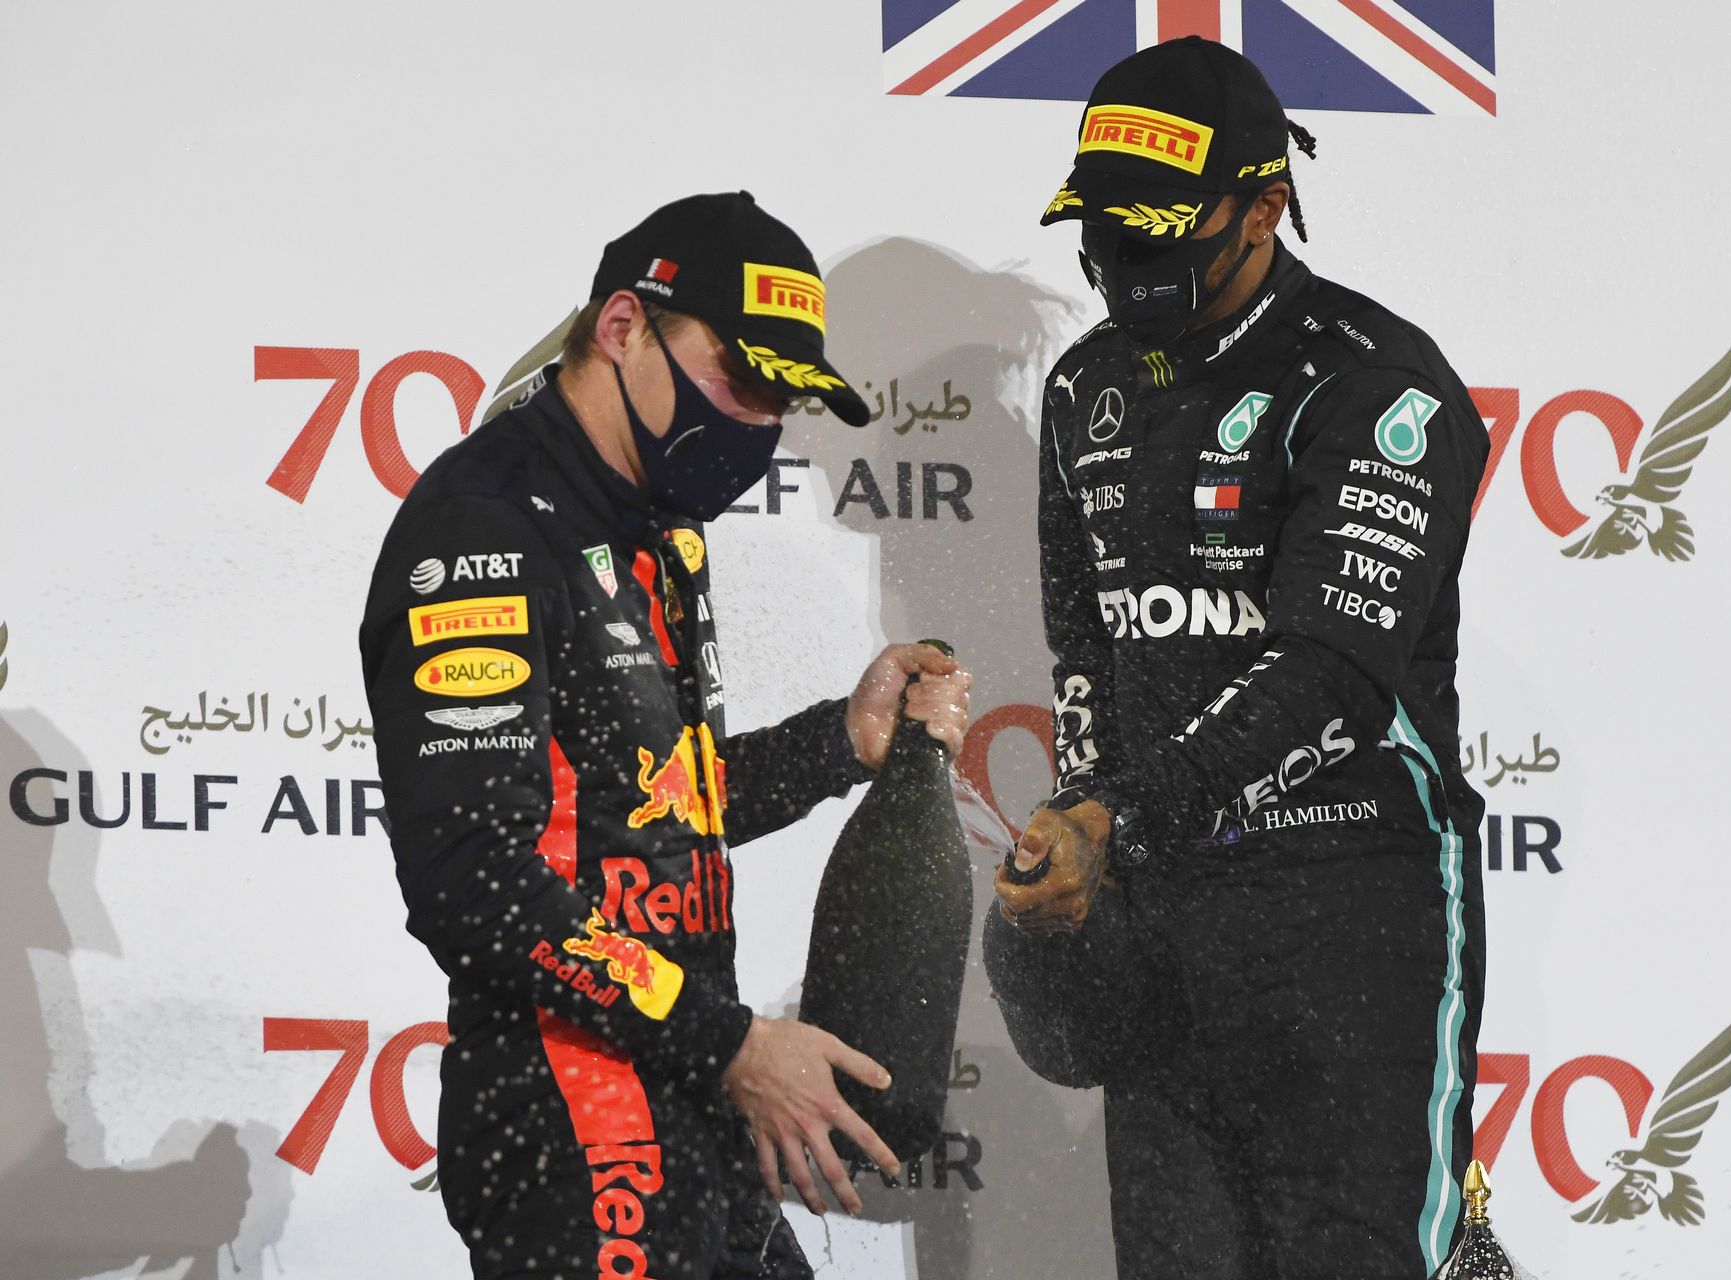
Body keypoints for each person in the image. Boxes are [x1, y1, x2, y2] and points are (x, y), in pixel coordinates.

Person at [360, 191, 973, 1280]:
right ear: (622, 328)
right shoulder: (484, 524)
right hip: (573, 1118)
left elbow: (648, 800)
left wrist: (842, 741)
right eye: (741, 380)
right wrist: (733, 1045)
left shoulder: (656, 525)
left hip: (691, 1093)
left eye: (782, 399)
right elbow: (471, 876)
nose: (758, 424)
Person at [987, 37, 1489, 1279]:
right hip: (1162, 917)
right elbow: (1087, 650)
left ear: (1264, 207)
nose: (1124, 258)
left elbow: (1331, 667)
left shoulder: (1373, 380)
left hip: (1350, 909)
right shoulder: (1084, 389)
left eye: (1160, 229)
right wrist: (1081, 817)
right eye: (1103, 227)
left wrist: (1119, 812)